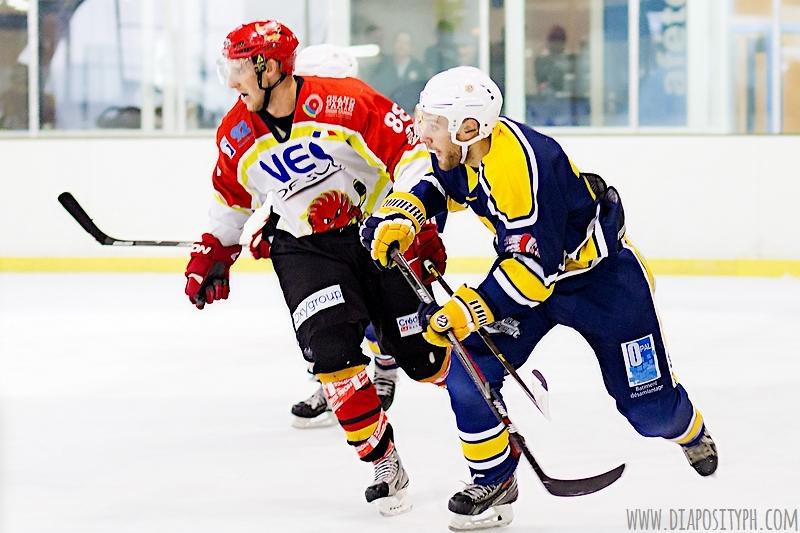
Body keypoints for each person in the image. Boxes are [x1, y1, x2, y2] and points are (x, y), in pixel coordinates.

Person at [361, 66, 718, 530]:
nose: (422, 132)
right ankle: (495, 479)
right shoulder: (465, 149)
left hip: (602, 284)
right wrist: (404, 214)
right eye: (424, 118)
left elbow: (534, 274)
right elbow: (436, 184)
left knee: (649, 411)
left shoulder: (524, 167)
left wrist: (469, 308)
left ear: (469, 128)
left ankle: (689, 431)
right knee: (469, 373)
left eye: (433, 123)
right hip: (532, 278)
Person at [182, 20, 450, 516]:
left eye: (240, 68)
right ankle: (384, 463)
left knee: (424, 357)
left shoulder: (346, 101)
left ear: (270, 67)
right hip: (305, 250)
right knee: (332, 357)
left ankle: (488, 413)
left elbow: (411, 156)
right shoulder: (236, 132)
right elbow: (232, 199)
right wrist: (216, 251)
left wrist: (418, 220)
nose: (232, 81)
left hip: (376, 235)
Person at [245, 43, 447, 429]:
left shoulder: (362, 115)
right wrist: (269, 221)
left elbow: (415, 176)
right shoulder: (294, 125)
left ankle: (386, 365)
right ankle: (335, 379)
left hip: (381, 232)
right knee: (330, 325)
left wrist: (425, 232)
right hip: (328, 244)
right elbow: (291, 187)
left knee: (390, 322)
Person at [369, 32, 429, 115]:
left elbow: (423, 96)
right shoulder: (383, 65)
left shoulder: (419, 68)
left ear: (411, 47)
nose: (402, 46)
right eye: (399, 42)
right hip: (385, 113)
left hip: (410, 115)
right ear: (393, 44)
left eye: (406, 43)